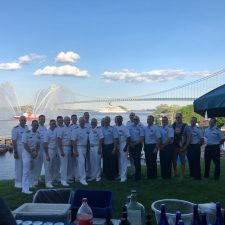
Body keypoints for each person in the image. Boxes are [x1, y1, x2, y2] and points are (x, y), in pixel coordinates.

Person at [22, 120, 40, 194]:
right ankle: (25, 189)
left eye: (37, 125)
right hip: (27, 153)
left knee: (33, 170)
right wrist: (31, 153)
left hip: (34, 153)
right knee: (26, 171)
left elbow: (38, 145)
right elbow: (25, 145)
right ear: (31, 125)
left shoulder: (38, 134)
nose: (36, 126)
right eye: (34, 125)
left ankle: (31, 184)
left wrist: (36, 153)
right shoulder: (26, 133)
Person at [172, 113, 191, 179]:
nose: (177, 119)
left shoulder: (186, 126)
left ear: (181, 117)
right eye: (176, 117)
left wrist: (185, 146)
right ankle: (175, 172)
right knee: (174, 161)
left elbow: (188, 137)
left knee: (182, 161)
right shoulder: (173, 125)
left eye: (179, 117)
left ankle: (182, 175)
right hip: (174, 146)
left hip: (182, 147)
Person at [71, 117, 89, 185]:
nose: (82, 122)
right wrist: (75, 151)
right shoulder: (76, 130)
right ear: (79, 122)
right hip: (78, 148)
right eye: (81, 121)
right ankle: (82, 179)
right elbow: (73, 141)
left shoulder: (86, 129)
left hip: (85, 149)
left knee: (80, 164)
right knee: (82, 163)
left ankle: (77, 177)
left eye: (83, 121)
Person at [11, 115, 28, 188]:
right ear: (19, 120)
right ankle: (18, 183)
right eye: (22, 120)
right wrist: (15, 152)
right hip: (19, 148)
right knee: (19, 166)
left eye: (24, 120)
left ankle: (24, 181)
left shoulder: (27, 127)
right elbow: (14, 141)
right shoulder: (15, 129)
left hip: (26, 148)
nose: (24, 121)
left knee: (25, 166)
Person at [102, 116, 118, 180]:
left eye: (107, 120)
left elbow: (115, 139)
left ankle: (112, 176)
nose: (106, 121)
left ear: (109, 121)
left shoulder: (112, 128)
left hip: (111, 146)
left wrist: (114, 148)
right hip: (104, 147)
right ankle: (107, 176)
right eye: (105, 120)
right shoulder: (102, 129)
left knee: (112, 162)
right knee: (106, 162)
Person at [57, 116, 72, 186]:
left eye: (69, 120)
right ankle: (63, 180)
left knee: (69, 164)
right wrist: (61, 151)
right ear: (64, 121)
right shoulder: (61, 129)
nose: (68, 121)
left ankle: (68, 178)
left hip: (69, 148)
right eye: (66, 120)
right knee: (64, 165)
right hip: (63, 148)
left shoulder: (70, 128)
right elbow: (59, 140)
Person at [128, 116, 144, 181]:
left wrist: (134, 144)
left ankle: (138, 176)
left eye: (137, 119)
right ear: (132, 120)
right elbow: (127, 136)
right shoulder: (129, 126)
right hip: (131, 145)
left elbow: (142, 138)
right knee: (132, 160)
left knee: (137, 160)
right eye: (134, 119)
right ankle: (134, 173)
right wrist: (130, 143)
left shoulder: (141, 127)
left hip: (138, 145)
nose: (135, 120)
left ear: (138, 120)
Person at [115, 115, 130, 182]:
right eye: (116, 119)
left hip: (123, 144)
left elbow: (128, 137)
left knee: (123, 161)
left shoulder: (124, 128)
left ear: (121, 120)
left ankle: (124, 177)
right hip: (117, 145)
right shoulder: (115, 127)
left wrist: (126, 147)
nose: (117, 120)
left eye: (118, 119)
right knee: (119, 161)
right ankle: (120, 175)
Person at [43, 119, 58, 188]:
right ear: (49, 124)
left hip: (55, 150)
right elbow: (45, 144)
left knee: (53, 166)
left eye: (54, 124)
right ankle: (47, 182)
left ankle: (52, 180)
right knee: (48, 167)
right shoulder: (47, 132)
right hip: (49, 150)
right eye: (52, 124)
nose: (53, 125)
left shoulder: (55, 131)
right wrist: (46, 155)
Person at [34, 114, 47, 185]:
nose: (43, 120)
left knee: (41, 163)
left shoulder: (45, 127)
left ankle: (38, 177)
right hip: (38, 148)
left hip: (44, 147)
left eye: (44, 119)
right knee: (37, 164)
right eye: (42, 119)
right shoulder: (37, 127)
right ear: (39, 119)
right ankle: (35, 180)